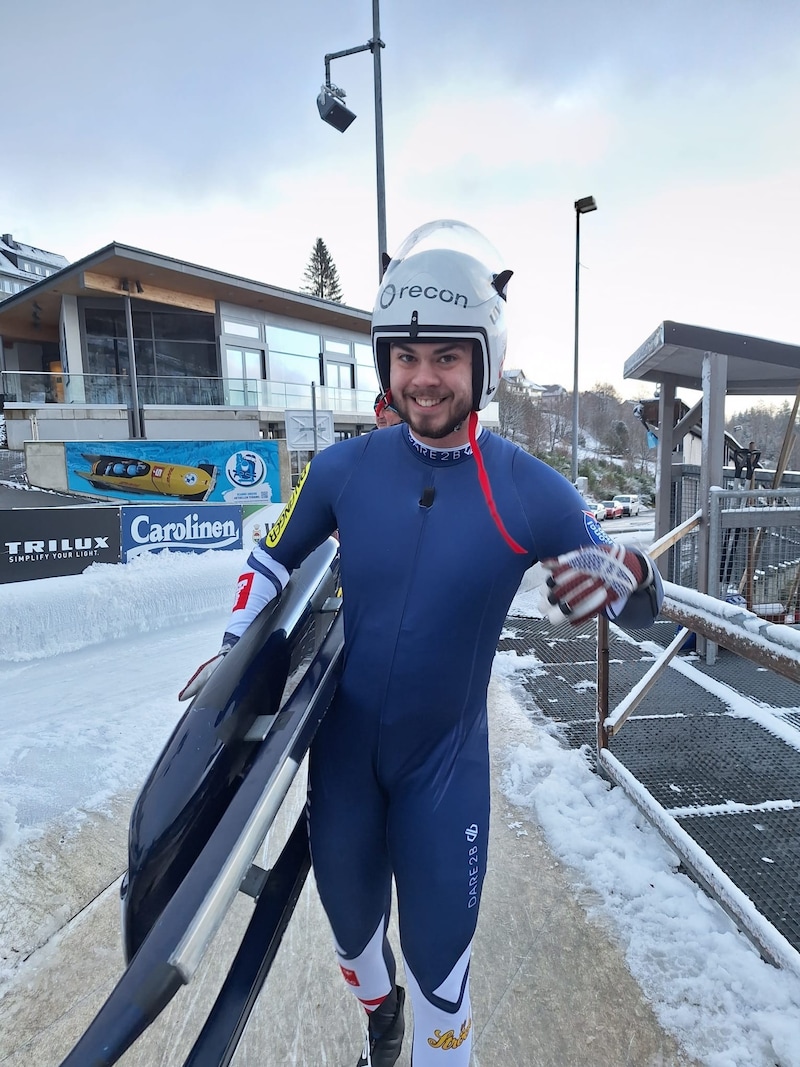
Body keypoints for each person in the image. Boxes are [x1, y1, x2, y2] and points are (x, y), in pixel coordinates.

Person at [180, 220, 663, 1066]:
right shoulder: (344, 468)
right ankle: (379, 1012)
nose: (424, 378)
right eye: (406, 357)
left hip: (443, 769)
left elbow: (635, 596)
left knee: (445, 977)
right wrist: (232, 651)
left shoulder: (525, 485)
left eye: (445, 356)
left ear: (484, 363)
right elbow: (270, 557)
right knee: (355, 944)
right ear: (384, 363)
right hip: (344, 762)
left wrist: (629, 574)